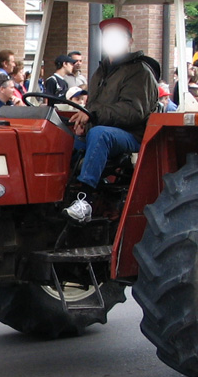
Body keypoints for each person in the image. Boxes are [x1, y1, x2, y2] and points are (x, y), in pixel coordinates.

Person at [63, 17, 159, 223]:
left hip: (133, 134)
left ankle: (84, 200)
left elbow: (134, 111)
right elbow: (94, 107)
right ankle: (59, 197)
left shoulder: (140, 72)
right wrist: (84, 123)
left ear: (129, 42)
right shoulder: (101, 72)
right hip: (106, 129)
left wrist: (93, 117)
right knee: (61, 138)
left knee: (99, 134)